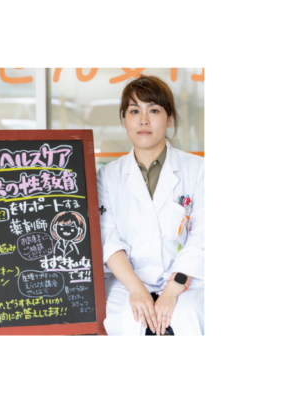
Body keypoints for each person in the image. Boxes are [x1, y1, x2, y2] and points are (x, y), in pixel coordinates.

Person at [97, 76, 204, 336]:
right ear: (124, 120)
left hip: (186, 280)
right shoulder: (107, 176)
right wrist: (137, 289)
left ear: (169, 119)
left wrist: (171, 292)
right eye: (134, 111)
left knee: (188, 315)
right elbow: (108, 240)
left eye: (154, 110)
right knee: (128, 319)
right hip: (128, 282)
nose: (143, 120)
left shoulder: (198, 170)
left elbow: (203, 236)